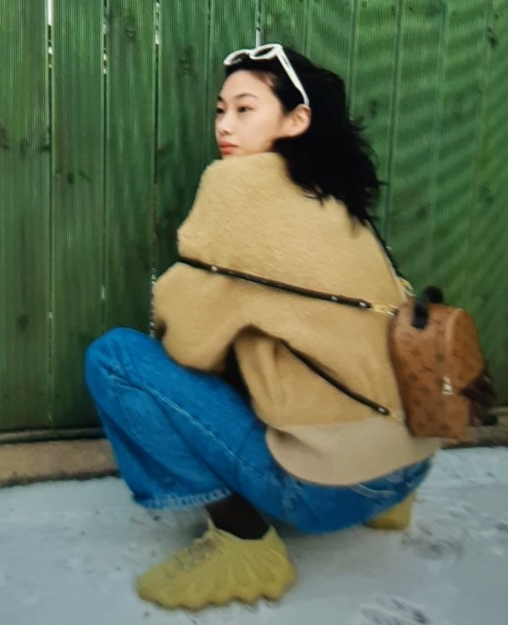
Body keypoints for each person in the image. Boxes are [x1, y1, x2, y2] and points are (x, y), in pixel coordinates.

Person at [85, 44, 442, 611]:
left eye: (245, 109)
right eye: (220, 110)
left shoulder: (236, 185)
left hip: (328, 496)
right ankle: (384, 503)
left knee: (117, 359)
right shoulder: (334, 193)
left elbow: (186, 342)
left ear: (296, 120)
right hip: (411, 465)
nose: (225, 125)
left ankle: (244, 543)